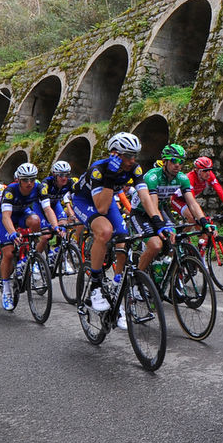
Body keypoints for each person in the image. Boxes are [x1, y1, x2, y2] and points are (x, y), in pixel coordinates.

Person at [69, 133, 164, 323]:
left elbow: (145, 197)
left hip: (106, 196)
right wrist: (110, 178)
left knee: (123, 239)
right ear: (115, 154)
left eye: (134, 155)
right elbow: (101, 208)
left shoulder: (134, 168)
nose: (132, 160)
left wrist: (158, 222)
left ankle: (116, 288)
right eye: (128, 155)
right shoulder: (98, 170)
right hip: (84, 200)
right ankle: (95, 285)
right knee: (104, 231)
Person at [134, 143, 214, 278]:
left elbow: (192, 203)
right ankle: (137, 280)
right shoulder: (153, 177)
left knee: (173, 239)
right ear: (164, 161)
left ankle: (164, 275)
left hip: (161, 209)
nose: (178, 165)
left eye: (181, 161)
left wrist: (203, 222)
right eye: (174, 160)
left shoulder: (182, 178)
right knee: (155, 245)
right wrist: (160, 225)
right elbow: (152, 205)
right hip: (142, 212)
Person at [0, 163, 58, 310]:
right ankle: (6, 289)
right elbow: (6, 217)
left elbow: (47, 208)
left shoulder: (39, 187)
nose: (29, 183)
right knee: (9, 253)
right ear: (19, 180)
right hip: (7, 218)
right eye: (25, 180)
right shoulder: (10, 190)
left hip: (23, 213)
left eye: (32, 179)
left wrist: (55, 226)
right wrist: (12, 233)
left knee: (36, 220)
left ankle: (31, 252)